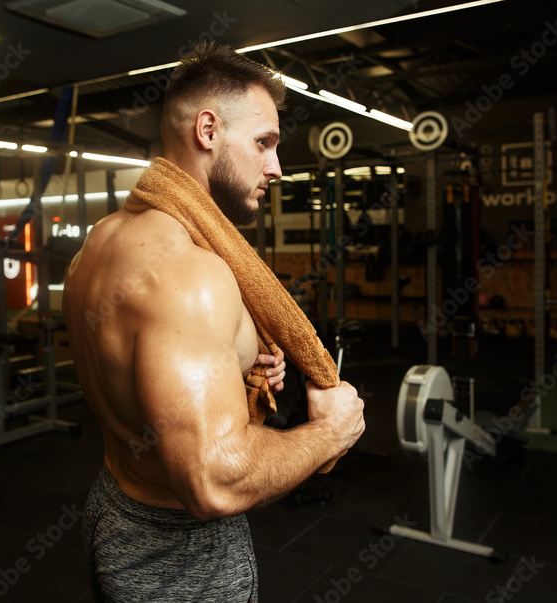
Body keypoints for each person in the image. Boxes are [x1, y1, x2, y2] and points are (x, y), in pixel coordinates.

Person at [64, 42, 366, 602]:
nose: (276, 167)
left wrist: (240, 370)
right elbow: (213, 481)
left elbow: (137, 373)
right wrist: (331, 432)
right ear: (208, 131)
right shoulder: (191, 276)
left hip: (114, 507)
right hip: (178, 550)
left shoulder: (98, 244)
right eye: (264, 142)